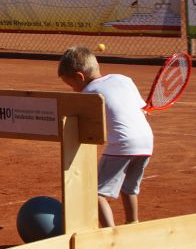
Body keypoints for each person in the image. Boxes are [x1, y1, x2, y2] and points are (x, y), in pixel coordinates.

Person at [58, 46, 153, 227]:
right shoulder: (124, 79)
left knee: (94, 193)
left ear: (80, 77)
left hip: (122, 144)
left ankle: (110, 235)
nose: (73, 90)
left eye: (71, 85)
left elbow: (84, 128)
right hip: (146, 142)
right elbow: (142, 111)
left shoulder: (88, 94)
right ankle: (133, 224)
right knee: (129, 188)